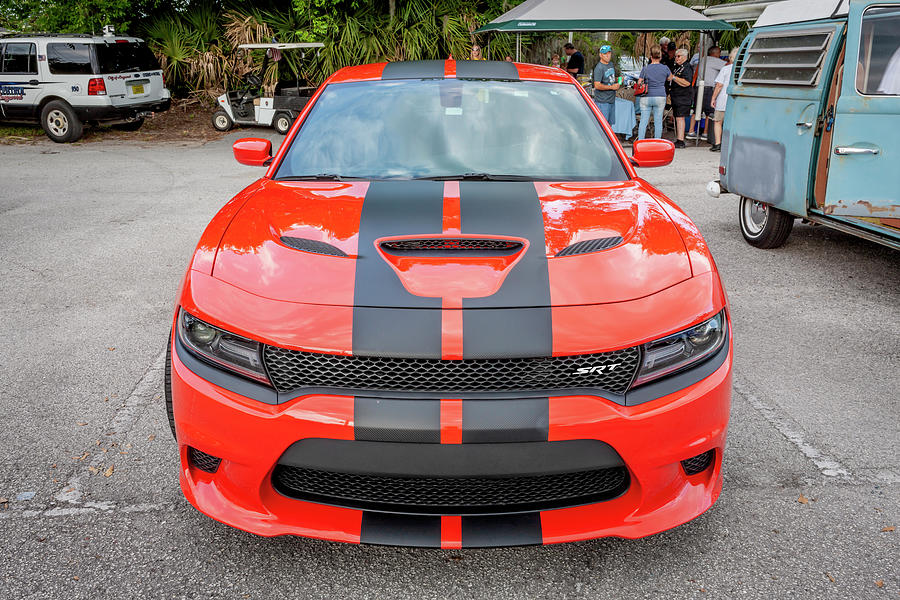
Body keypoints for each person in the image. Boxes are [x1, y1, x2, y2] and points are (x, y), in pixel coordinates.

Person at [687, 46, 725, 140]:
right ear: (716, 53)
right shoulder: (715, 60)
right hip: (708, 88)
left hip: (698, 87)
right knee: (709, 112)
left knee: (696, 110)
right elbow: (728, 65)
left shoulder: (702, 59)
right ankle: (705, 133)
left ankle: (691, 131)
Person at [636, 47, 673, 140]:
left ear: (650, 56)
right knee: (658, 121)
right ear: (660, 57)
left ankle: (640, 141)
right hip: (660, 96)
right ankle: (657, 142)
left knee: (644, 120)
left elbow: (639, 82)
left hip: (646, 96)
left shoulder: (646, 68)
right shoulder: (665, 68)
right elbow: (670, 78)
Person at [710, 48, 738, 152]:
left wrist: (713, 98)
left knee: (718, 121)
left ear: (731, 57)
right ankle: (731, 144)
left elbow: (719, 85)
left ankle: (718, 144)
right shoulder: (744, 70)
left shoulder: (726, 69)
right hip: (737, 101)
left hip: (723, 100)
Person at [669, 48, 694, 148]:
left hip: (683, 97)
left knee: (680, 118)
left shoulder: (687, 67)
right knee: (677, 117)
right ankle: (679, 139)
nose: (676, 58)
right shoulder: (677, 67)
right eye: (675, 56)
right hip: (676, 96)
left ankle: (680, 140)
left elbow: (687, 82)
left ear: (684, 57)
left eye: (678, 56)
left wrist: (674, 78)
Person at [592, 44, 620, 126]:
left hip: (611, 99)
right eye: (605, 54)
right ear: (600, 55)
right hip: (602, 101)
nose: (608, 55)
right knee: (603, 126)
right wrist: (612, 87)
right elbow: (597, 85)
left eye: (609, 53)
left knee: (609, 125)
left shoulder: (610, 64)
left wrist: (618, 79)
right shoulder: (599, 68)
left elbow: (610, 78)